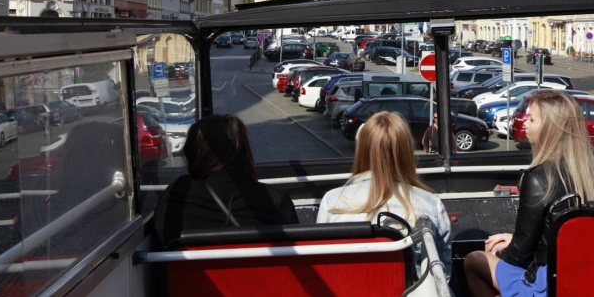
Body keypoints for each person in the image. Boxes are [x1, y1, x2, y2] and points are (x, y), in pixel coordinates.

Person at [464, 91, 594, 297]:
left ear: (550, 127)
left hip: (546, 283)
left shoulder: (538, 179)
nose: (525, 124)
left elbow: (519, 256)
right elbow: (560, 236)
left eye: (532, 119)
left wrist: (501, 250)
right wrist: (513, 238)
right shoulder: (589, 174)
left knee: (476, 259)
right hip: (579, 278)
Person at [317, 111, 452, 279]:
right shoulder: (431, 204)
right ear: (405, 152)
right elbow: (443, 276)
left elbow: (324, 266)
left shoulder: (332, 201)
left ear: (362, 149)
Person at [155, 114, 299, 246]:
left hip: (188, 274)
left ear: (192, 152)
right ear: (243, 152)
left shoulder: (177, 194)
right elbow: (295, 253)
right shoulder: (275, 201)